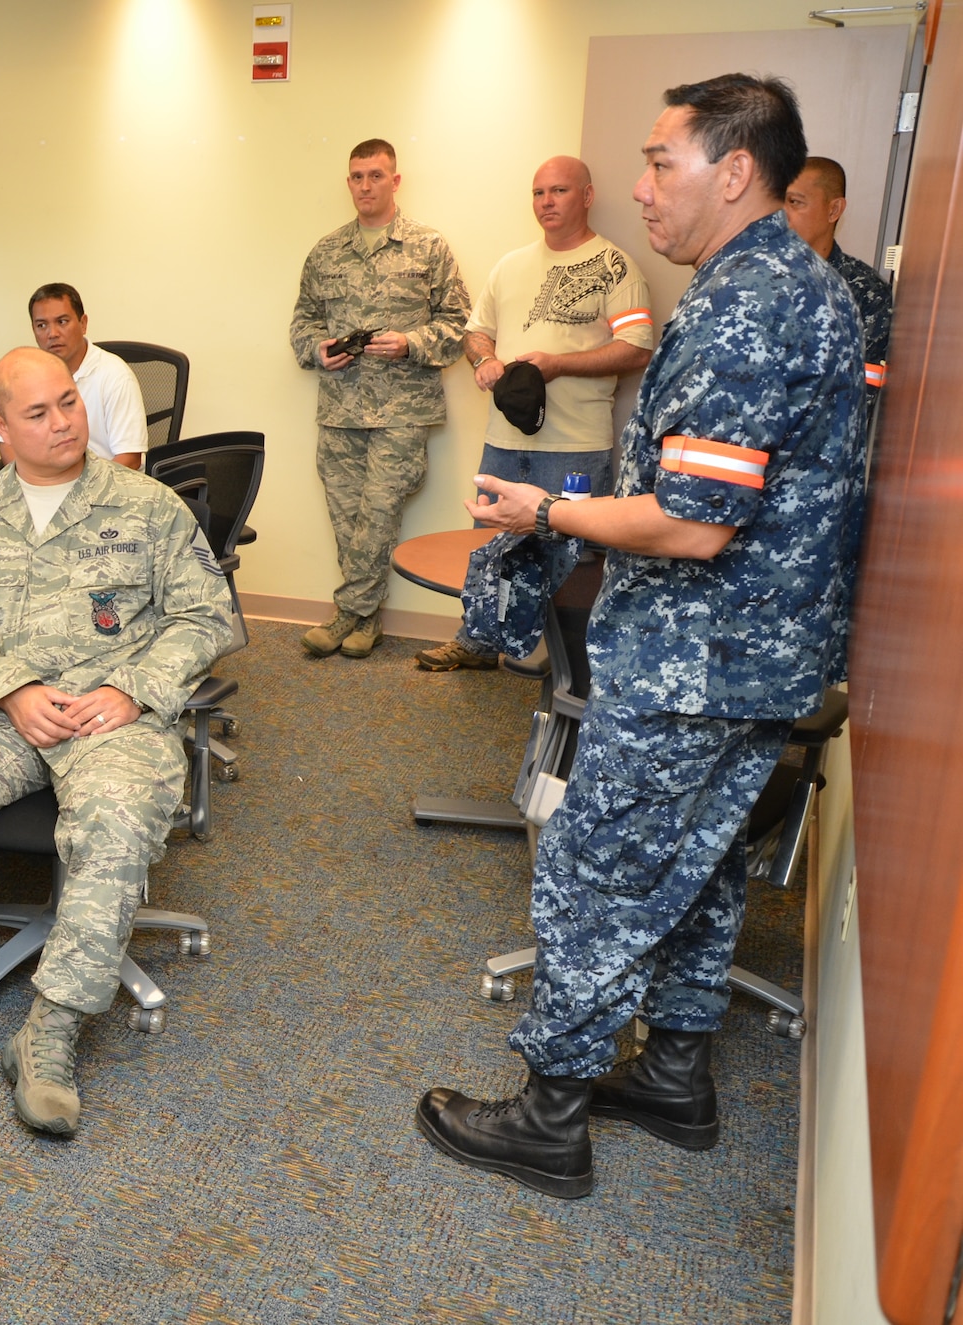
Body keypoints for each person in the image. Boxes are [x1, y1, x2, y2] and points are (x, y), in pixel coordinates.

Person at [415, 75, 866, 1200]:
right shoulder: (781, 283)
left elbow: (691, 521)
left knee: (593, 862)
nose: (638, 186)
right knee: (702, 864)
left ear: (733, 171)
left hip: (698, 660)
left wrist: (542, 512)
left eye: (659, 162)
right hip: (746, 656)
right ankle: (672, 1072)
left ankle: (545, 1114)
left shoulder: (746, 302)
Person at [0, 347, 234, 1136]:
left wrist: (132, 689)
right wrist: (11, 690)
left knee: (120, 818)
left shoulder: (149, 505)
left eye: (69, 403)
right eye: (37, 412)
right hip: (1, 710)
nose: (62, 423)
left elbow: (208, 618)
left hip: (107, 714)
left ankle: (49, 1033)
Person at [414, 156, 657, 673]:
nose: (546, 202)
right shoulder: (511, 265)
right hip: (506, 439)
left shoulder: (615, 266)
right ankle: (478, 643)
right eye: (539, 192)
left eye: (559, 191)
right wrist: (483, 360)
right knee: (490, 542)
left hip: (575, 444)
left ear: (586, 197)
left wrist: (557, 365)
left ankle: (566, 659)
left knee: (575, 552)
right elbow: (475, 332)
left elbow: (637, 347)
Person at [289, 138, 470, 661]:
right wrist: (316, 350)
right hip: (340, 408)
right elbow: (302, 321)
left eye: (375, 175)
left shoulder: (428, 246)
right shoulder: (326, 251)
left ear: (395, 180)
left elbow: (459, 325)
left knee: (379, 509)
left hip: (402, 409)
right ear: (348, 183)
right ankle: (365, 620)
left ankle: (349, 611)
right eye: (357, 176)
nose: (365, 186)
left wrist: (411, 343)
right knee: (346, 515)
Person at [0, 283, 150, 470]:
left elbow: (130, 458)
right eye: (41, 325)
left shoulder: (115, 376)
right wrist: (34, 482)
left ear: (83, 324)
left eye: (62, 322)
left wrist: (74, 491)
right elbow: (7, 443)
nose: (52, 334)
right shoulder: (25, 376)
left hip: (106, 487)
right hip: (46, 484)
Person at [784, 154, 893, 427]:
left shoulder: (864, 294)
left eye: (795, 202)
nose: (781, 214)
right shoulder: (751, 277)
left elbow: (855, 402)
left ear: (834, 210)